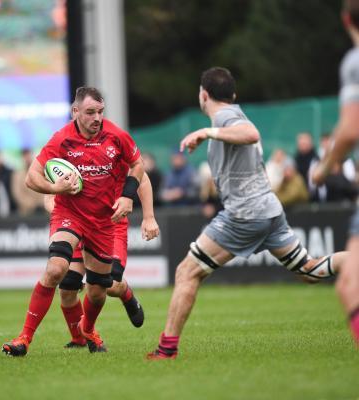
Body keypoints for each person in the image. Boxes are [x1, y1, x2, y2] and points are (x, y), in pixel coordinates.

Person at [147, 67, 349, 360]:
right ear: (234, 95)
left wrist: (206, 131)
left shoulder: (227, 119)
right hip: (268, 210)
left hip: (245, 215)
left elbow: (251, 134)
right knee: (310, 270)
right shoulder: (234, 116)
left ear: (203, 95)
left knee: (186, 272)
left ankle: (166, 350)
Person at [2, 86, 144, 356]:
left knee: (99, 290)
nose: (97, 118)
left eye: (100, 112)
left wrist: (127, 197)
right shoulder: (61, 140)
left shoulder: (117, 136)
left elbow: (138, 166)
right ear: (75, 111)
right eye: (90, 112)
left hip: (103, 222)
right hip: (70, 215)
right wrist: (57, 190)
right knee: (57, 269)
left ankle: (87, 329)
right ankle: (24, 339)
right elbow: (31, 177)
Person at [54, 169, 160, 349]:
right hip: (77, 224)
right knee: (67, 285)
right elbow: (49, 195)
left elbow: (141, 177)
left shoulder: (114, 143)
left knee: (108, 285)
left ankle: (125, 293)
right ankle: (80, 338)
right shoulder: (66, 148)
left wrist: (149, 217)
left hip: (110, 225)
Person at [311, 0, 359, 346]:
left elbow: (348, 132)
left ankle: (316, 267)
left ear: (345, 20)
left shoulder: (354, 63)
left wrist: (323, 168)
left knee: (350, 286)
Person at [11, 148, 45, 216]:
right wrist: (32, 205)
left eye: (28, 154)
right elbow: (17, 194)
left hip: (43, 211)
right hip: (26, 213)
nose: (27, 157)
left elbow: (47, 189)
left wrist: (41, 204)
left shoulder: (43, 172)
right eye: (25, 155)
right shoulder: (17, 175)